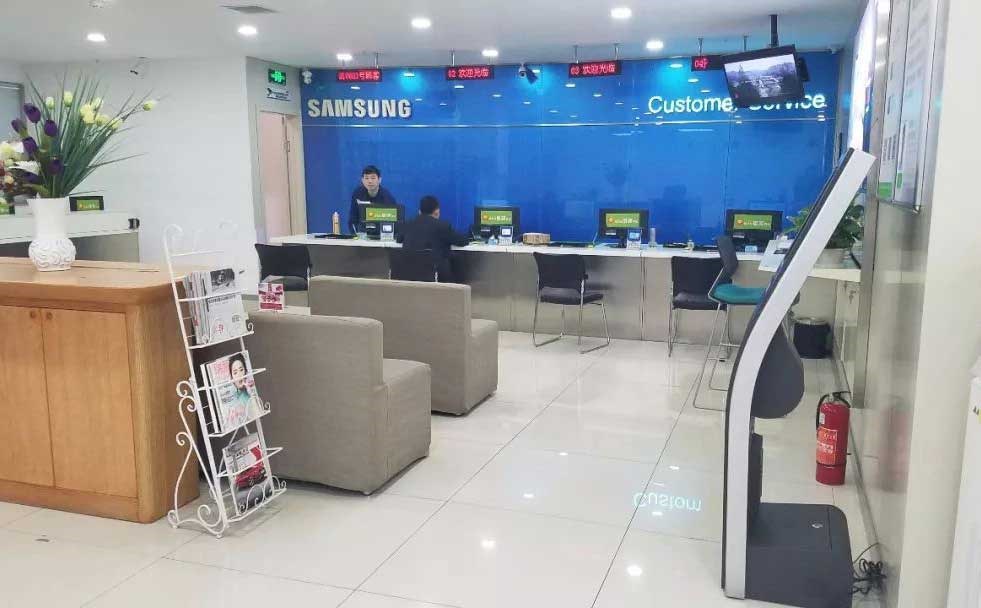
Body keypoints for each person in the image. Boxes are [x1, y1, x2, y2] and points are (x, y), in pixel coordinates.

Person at [399, 195, 470, 282]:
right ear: (437, 211)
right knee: (457, 259)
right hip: (435, 275)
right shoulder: (442, 226)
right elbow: (462, 241)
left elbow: (399, 239)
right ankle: (459, 289)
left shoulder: (407, 224)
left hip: (409, 273)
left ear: (419, 211)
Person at [349, 165, 398, 232]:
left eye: (373, 178)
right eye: (366, 178)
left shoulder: (387, 197)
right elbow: (352, 219)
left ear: (379, 180)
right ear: (362, 180)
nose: (370, 181)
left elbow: (393, 224)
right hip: (362, 234)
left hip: (381, 234)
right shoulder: (357, 194)